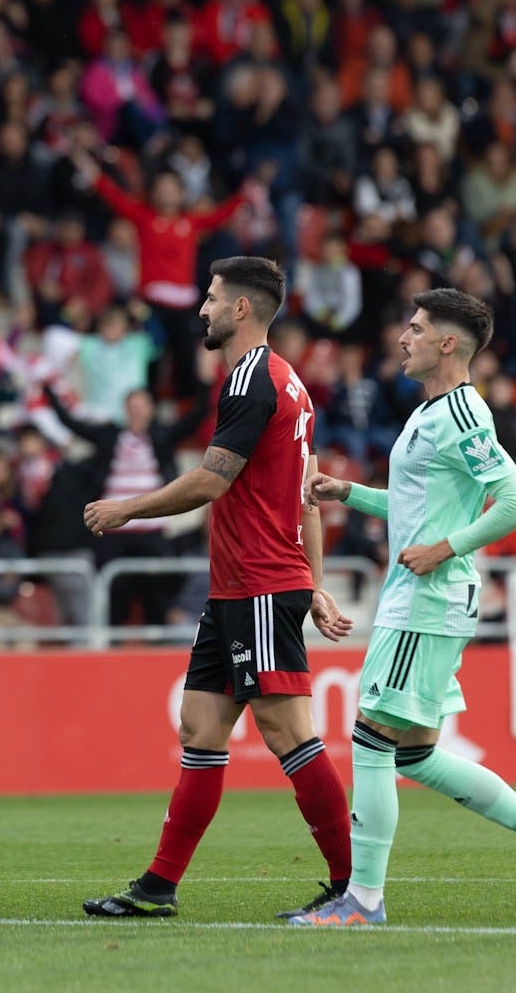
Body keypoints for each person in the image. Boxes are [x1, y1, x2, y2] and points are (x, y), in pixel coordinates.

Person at [294, 290, 516, 926]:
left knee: (371, 739)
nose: (404, 337)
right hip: (422, 597)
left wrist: (444, 550)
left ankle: (363, 901)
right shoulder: (433, 411)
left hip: (426, 602)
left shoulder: (463, 414)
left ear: (447, 344)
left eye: (417, 327)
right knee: (413, 753)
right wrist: (348, 492)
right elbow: (415, 509)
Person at [79, 257, 356, 920]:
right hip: (242, 586)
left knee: (289, 733)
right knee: (200, 726)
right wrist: (313, 582)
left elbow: (210, 479)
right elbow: (307, 496)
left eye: (210, 298)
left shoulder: (251, 381)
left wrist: (127, 507)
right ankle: (158, 886)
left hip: (259, 583)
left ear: (240, 309)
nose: (200, 308)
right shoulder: (287, 382)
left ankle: (355, 884)